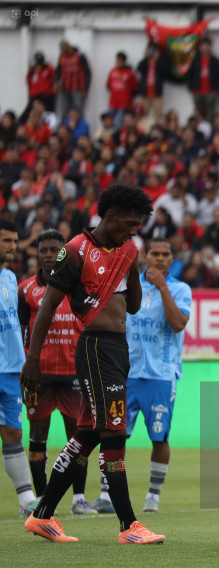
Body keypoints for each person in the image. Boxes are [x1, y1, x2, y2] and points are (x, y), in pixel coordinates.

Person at [20, 184, 165, 544]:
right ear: (110, 216)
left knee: (86, 436)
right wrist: (33, 360)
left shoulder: (127, 251)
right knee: (114, 433)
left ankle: (42, 516)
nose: (134, 231)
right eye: (129, 224)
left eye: (138, 225)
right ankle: (129, 526)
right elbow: (49, 306)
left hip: (118, 347)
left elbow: (131, 307)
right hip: (95, 348)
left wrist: (133, 271)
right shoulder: (75, 250)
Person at [18, 229, 96, 515]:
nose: (49, 255)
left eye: (55, 250)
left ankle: (78, 499)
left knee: (78, 438)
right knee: (37, 436)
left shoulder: (78, 286)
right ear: (37, 254)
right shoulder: (25, 290)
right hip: (39, 375)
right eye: (44, 250)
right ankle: (40, 499)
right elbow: (20, 333)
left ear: (64, 252)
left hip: (74, 375)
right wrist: (25, 365)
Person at [120, 237, 190, 513]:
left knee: (159, 437)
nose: (160, 258)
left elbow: (178, 324)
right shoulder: (127, 286)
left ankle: (153, 496)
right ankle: (106, 492)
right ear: (144, 256)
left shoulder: (180, 289)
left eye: (165, 254)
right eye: (154, 253)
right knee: (115, 436)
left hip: (161, 375)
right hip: (127, 374)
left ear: (172, 258)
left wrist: (162, 287)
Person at [0, 219, 39, 517]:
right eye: (7, 241)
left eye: (15, 241)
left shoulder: (11, 278)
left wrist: (25, 362)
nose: (13, 246)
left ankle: (27, 500)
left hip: (11, 370)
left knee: (13, 432)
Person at [186, 38, 219, 123]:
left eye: (207, 46)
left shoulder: (215, 61)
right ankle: (198, 127)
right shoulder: (195, 60)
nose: (205, 48)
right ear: (200, 47)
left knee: (210, 113)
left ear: (211, 47)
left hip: (210, 92)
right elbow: (189, 74)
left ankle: (209, 128)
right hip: (197, 91)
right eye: (203, 46)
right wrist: (191, 88)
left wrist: (217, 90)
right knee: (198, 113)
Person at [55, 41, 91, 120]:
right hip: (64, 88)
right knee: (64, 111)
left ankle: (79, 129)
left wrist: (86, 88)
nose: (65, 52)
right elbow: (58, 71)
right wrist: (56, 82)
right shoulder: (62, 56)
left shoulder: (79, 55)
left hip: (77, 89)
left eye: (66, 50)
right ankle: (64, 129)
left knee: (78, 110)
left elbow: (88, 72)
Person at [136, 42, 170, 123]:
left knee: (158, 115)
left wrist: (158, 59)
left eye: (154, 50)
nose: (152, 52)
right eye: (150, 50)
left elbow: (166, 71)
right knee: (141, 115)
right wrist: (145, 58)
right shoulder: (145, 62)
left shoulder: (161, 61)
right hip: (144, 94)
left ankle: (157, 131)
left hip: (157, 94)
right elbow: (139, 68)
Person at [106, 52, 139, 129]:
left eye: (120, 60)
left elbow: (135, 87)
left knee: (119, 123)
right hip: (113, 102)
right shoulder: (112, 71)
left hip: (124, 103)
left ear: (124, 61)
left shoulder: (130, 72)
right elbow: (108, 85)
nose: (118, 62)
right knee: (108, 120)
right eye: (117, 60)